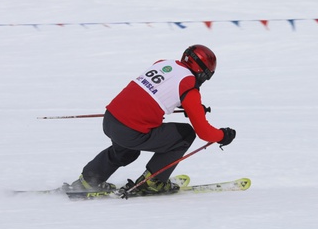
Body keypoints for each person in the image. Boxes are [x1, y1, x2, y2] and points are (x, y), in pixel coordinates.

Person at [64, 44, 236, 196]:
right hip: (132, 131)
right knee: (186, 134)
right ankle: (153, 183)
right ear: (202, 72)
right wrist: (223, 136)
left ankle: (89, 180)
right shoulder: (190, 88)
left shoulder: (163, 63)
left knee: (126, 150)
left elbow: (158, 90)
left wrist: (192, 107)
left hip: (111, 120)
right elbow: (203, 132)